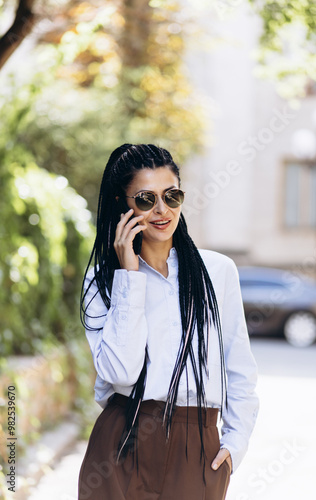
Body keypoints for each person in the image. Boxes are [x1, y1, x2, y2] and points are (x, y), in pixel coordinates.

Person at [78, 144, 259, 500]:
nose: (162, 210)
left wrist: (234, 445)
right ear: (123, 204)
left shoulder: (217, 271)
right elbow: (121, 373)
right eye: (146, 199)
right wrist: (129, 276)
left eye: (172, 195)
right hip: (122, 439)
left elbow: (238, 366)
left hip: (196, 446)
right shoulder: (103, 280)